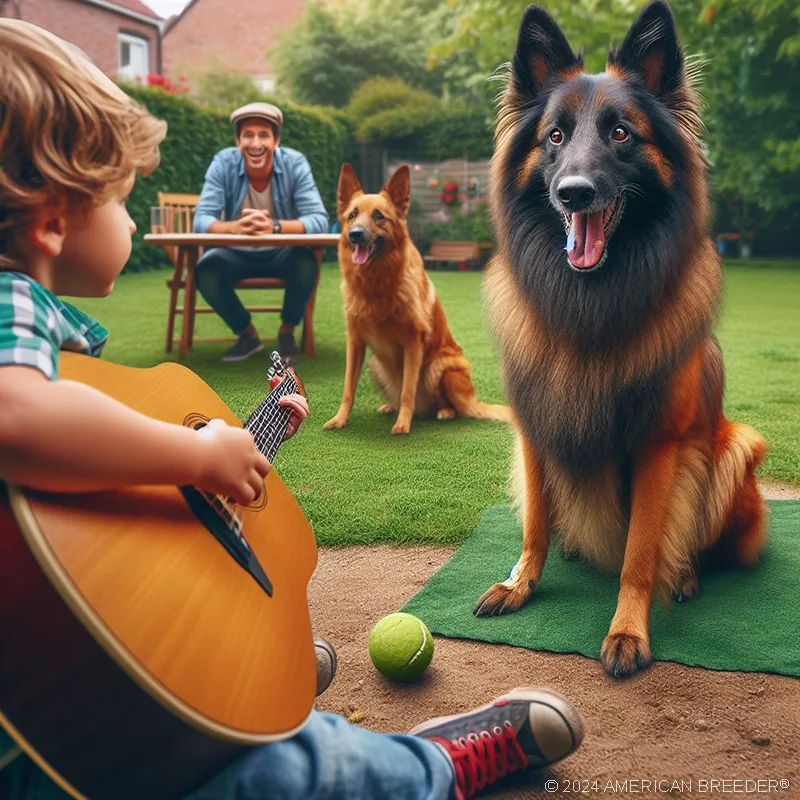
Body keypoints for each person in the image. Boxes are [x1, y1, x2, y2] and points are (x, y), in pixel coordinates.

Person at [0, 21, 585, 800]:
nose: (138, 225)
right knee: (283, 771)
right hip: (65, 726)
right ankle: (430, 766)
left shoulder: (43, 328)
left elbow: (81, 483)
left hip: (41, 683)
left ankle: (230, 663)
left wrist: (239, 438)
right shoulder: (11, 304)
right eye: (124, 203)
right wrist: (195, 456)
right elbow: (15, 415)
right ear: (50, 223)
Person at [193, 102, 329, 365]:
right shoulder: (223, 162)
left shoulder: (295, 163)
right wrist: (233, 228)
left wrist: (274, 227)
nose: (256, 144)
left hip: (282, 253)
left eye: (264, 135)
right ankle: (247, 334)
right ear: (238, 140)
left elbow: (319, 220)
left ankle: (287, 331)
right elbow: (202, 218)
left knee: (306, 262)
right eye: (248, 135)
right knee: (205, 270)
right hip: (235, 253)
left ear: (276, 140)